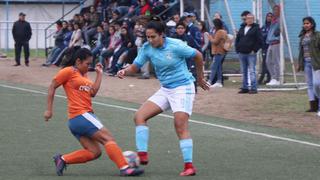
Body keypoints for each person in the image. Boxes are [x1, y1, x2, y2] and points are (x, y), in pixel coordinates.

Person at [117, 19, 210, 176]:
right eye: (147, 37)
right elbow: (136, 66)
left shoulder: (176, 45)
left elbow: (198, 55)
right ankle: (142, 155)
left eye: (153, 37)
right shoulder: (147, 48)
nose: (150, 40)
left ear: (162, 35)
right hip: (166, 89)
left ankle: (189, 166)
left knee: (180, 125)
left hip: (183, 88)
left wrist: (200, 78)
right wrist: (125, 71)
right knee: (139, 116)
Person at [43, 48, 144, 176]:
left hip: (77, 120)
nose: (89, 66)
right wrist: (48, 110)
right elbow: (52, 86)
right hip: (81, 115)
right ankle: (124, 167)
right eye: (87, 64)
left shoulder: (83, 75)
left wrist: (99, 74)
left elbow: (93, 93)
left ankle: (63, 159)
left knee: (94, 152)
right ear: (78, 61)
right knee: (108, 139)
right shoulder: (68, 71)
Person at [235, 13, 263, 94]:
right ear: (245, 19)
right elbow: (238, 39)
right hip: (241, 53)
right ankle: (245, 87)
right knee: (243, 71)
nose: (249, 20)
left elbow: (260, 41)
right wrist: (237, 49)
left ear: (253, 19)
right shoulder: (242, 27)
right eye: (248, 18)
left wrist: (254, 50)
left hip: (251, 53)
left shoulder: (256, 29)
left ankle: (254, 88)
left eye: (251, 18)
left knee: (252, 71)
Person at [297, 16, 320, 115]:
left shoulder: (317, 35)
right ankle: (313, 106)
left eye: (307, 23)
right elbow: (301, 52)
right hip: (306, 63)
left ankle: (319, 104)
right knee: (310, 85)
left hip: (316, 63)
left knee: (317, 84)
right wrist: (299, 63)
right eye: (304, 23)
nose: (305, 25)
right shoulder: (302, 36)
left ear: (312, 24)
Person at [208, 19, 227, 88]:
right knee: (218, 67)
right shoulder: (223, 31)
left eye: (213, 24)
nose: (212, 25)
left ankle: (209, 81)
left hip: (218, 51)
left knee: (214, 67)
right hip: (221, 51)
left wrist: (210, 37)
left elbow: (215, 41)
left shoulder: (219, 32)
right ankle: (219, 81)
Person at [266, 5, 281, 86]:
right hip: (270, 42)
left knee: (276, 61)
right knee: (268, 61)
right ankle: (273, 77)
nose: (274, 11)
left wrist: (277, 35)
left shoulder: (280, 20)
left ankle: (277, 78)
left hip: (276, 43)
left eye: (276, 10)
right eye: (274, 9)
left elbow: (281, 30)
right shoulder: (273, 20)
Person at [258, 12, 273, 84]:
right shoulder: (264, 27)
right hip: (264, 47)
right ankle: (268, 78)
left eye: (270, 16)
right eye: (268, 16)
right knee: (265, 62)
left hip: (270, 47)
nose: (269, 18)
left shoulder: (273, 26)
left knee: (267, 63)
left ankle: (263, 78)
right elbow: (260, 35)